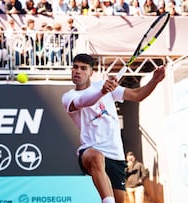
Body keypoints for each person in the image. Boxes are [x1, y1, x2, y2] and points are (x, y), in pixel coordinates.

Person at [61, 53, 166, 203]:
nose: (78, 71)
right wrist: (102, 92)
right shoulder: (68, 97)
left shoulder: (104, 86)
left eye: (83, 68)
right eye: (75, 67)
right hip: (90, 150)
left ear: (91, 72)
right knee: (96, 156)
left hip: (116, 156)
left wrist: (154, 81)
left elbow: (137, 95)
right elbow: (83, 101)